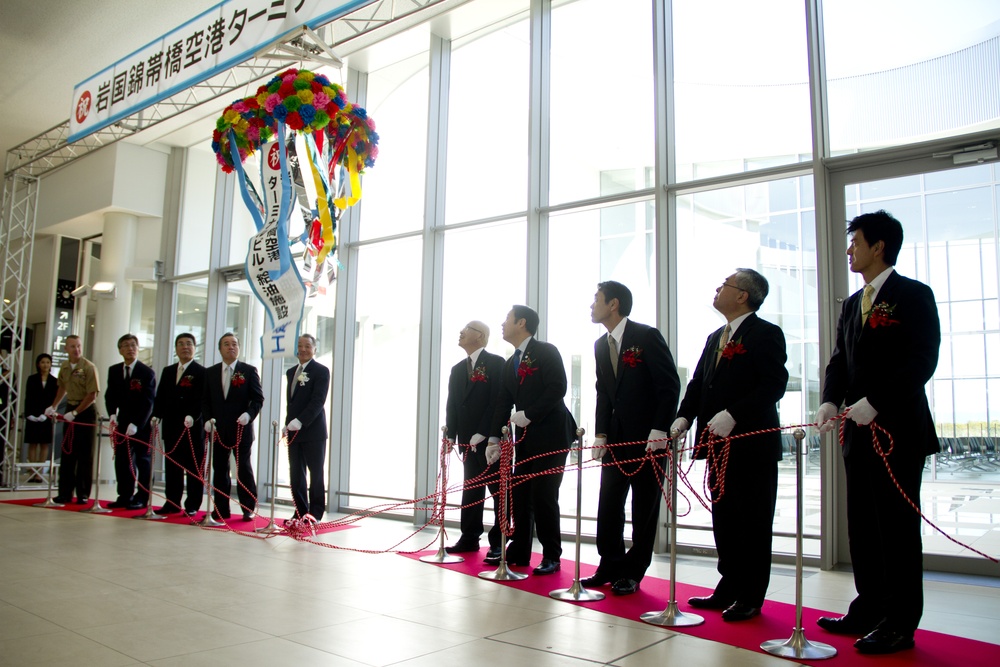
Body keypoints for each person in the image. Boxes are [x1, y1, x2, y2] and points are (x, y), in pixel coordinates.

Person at [813, 210, 940, 655]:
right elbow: (838, 360)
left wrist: (876, 402)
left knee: (897, 529)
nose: (849, 250)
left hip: (897, 431)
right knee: (862, 525)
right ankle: (868, 607)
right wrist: (831, 398)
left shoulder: (912, 295)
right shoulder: (852, 303)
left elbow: (922, 360)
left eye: (855, 242)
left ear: (879, 247)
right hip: (856, 433)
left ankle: (900, 623)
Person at [673, 268, 788, 622]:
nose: (718, 288)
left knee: (753, 521)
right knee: (724, 519)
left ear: (743, 295)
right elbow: (698, 384)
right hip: (716, 446)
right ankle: (729, 586)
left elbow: (774, 385)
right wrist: (683, 417)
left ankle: (751, 595)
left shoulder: (766, 333)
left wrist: (735, 414)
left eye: (725, 284)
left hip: (751, 445)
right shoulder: (714, 337)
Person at [583, 281, 680, 595]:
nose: (591, 305)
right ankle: (609, 563)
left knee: (643, 508)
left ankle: (633, 571)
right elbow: (603, 394)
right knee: (609, 504)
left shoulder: (646, 336)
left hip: (649, 440)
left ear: (613, 304)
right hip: (616, 441)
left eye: (595, 299)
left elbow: (669, 386)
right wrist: (600, 433)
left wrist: (660, 429)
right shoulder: (601, 345)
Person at [485, 305, 576, 575]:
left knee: (545, 495)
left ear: (522, 322)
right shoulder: (510, 361)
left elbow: (557, 387)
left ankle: (552, 555)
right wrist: (493, 439)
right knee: (520, 495)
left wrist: (530, 414)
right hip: (524, 439)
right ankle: (520, 551)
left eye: (507, 319)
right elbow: (503, 402)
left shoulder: (546, 351)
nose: (502, 324)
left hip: (552, 434)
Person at [443, 321, 505, 557]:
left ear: (480, 336)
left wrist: (485, 431)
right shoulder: (458, 369)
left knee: (498, 490)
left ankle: (499, 541)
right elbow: (453, 404)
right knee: (471, 489)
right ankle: (469, 537)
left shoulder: (496, 363)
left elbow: (497, 401)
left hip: (490, 441)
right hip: (467, 441)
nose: (460, 332)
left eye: (466, 329)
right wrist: (451, 435)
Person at [202, 332, 264, 521]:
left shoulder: (248, 370)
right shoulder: (210, 372)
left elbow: (257, 399)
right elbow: (205, 400)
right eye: (227, 344)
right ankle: (221, 509)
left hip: (241, 429)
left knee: (243, 468)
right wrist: (206, 419)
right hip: (218, 430)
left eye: (235, 344)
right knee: (220, 470)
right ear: (220, 349)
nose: (231, 347)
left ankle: (248, 507)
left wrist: (249, 414)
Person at [152, 333, 206, 516]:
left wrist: (194, 416)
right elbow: (160, 397)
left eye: (189, 344)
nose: (185, 347)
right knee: (172, 467)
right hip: (171, 427)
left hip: (192, 428)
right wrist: (156, 416)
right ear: (176, 348)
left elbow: (202, 400)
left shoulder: (202, 372)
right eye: (181, 344)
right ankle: (172, 502)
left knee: (193, 469)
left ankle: (192, 504)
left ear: (194, 347)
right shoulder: (168, 371)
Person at [45, 335, 100, 505]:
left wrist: (75, 413)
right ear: (65, 349)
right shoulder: (64, 366)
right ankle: (65, 493)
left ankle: (83, 493)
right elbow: (63, 386)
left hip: (85, 412)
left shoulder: (89, 367)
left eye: (78, 346)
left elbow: (92, 394)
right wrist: (54, 406)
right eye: (72, 346)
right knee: (68, 452)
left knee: (85, 454)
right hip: (70, 408)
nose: (76, 350)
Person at [105, 334, 157, 509]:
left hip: (141, 424)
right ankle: (125, 495)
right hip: (122, 422)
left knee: (143, 460)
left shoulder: (146, 372)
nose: (130, 348)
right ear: (120, 350)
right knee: (122, 460)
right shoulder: (114, 370)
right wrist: (112, 414)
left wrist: (136, 423)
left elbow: (149, 402)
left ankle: (142, 496)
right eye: (126, 345)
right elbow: (110, 395)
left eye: (133, 345)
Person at [284, 334, 330, 521]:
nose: (303, 349)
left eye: (307, 346)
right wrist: (288, 424)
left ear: (314, 349)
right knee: (296, 474)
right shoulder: (291, 372)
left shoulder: (321, 371)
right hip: (294, 432)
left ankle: (315, 513)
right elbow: (292, 403)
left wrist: (300, 421)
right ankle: (300, 511)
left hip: (313, 432)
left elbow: (317, 402)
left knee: (315, 474)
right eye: (300, 345)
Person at [24, 353, 58, 482]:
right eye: (43, 362)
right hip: (33, 415)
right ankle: (32, 471)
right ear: (38, 364)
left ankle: (39, 472)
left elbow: (54, 400)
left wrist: (47, 414)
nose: (45, 365)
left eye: (48, 362)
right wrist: (29, 414)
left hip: (46, 416)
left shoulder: (54, 381)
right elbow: (28, 398)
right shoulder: (32, 379)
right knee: (33, 443)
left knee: (44, 444)